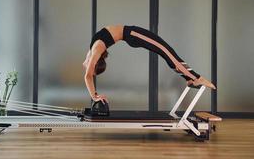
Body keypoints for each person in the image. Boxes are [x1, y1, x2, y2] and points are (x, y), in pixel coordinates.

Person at [83, 24, 216, 104]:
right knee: (166, 52)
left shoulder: (95, 50)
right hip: (131, 35)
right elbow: (87, 70)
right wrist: (94, 95)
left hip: (132, 34)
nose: (87, 66)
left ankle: (194, 78)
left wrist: (94, 96)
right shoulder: (94, 51)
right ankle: (195, 78)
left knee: (166, 52)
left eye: (90, 67)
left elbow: (87, 76)